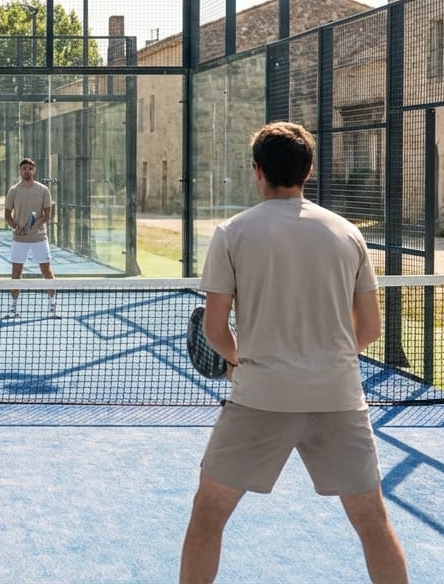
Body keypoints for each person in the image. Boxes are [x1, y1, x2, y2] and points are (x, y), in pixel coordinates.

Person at [178, 122, 407, 584]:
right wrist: (326, 358)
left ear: (257, 171)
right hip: (339, 396)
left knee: (208, 514)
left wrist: (241, 359)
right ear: (308, 171)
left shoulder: (232, 233)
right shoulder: (347, 234)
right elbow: (370, 329)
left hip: (260, 398)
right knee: (371, 519)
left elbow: (216, 329)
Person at [3, 157, 55, 318]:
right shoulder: (13, 190)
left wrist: (34, 226)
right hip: (19, 240)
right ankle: (13, 308)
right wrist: (16, 226)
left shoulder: (43, 190)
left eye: (30, 168)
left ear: (34, 170)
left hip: (39, 238)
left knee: (46, 271)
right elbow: (7, 215)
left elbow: (47, 215)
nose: (27, 171)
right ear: (20, 171)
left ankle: (52, 306)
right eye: (24, 168)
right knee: (16, 273)